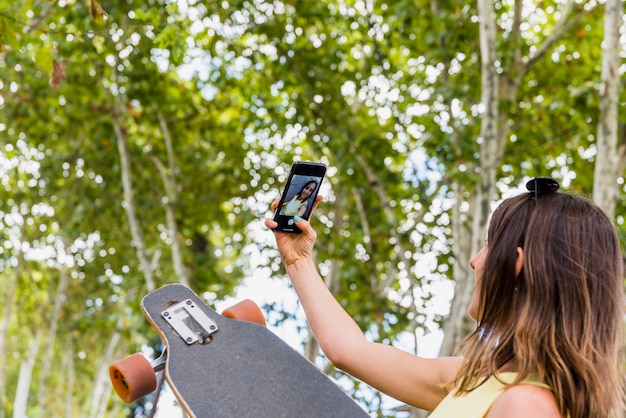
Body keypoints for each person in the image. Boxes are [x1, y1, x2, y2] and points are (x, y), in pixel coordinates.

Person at [265, 177, 624, 418]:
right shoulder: (476, 379)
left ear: (516, 265)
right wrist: (298, 261)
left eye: (489, 245)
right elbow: (349, 350)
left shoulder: (527, 407)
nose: (475, 260)